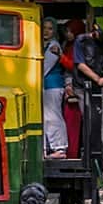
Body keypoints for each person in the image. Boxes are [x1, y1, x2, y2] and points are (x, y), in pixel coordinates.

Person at [73, 22, 103, 157]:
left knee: (99, 121)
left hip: (99, 86)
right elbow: (80, 65)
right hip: (82, 85)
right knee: (89, 120)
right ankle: (89, 155)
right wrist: (97, 79)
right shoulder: (81, 41)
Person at [59, 19, 85, 158]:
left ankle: (72, 153)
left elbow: (73, 66)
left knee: (72, 123)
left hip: (74, 87)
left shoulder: (77, 46)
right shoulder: (68, 45)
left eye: (69, 31)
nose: (67, 34)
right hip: (69, 86)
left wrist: (60, 57)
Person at [42, 18, 67, 158]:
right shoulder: (43, 45)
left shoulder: (53, 46)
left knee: (53, 117)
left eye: (50, 28)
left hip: (53, 85)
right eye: (44, 28)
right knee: (46, 118)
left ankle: (60, 147)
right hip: (45, 86)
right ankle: (48, 148)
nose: (46, 31)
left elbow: (44, 68)